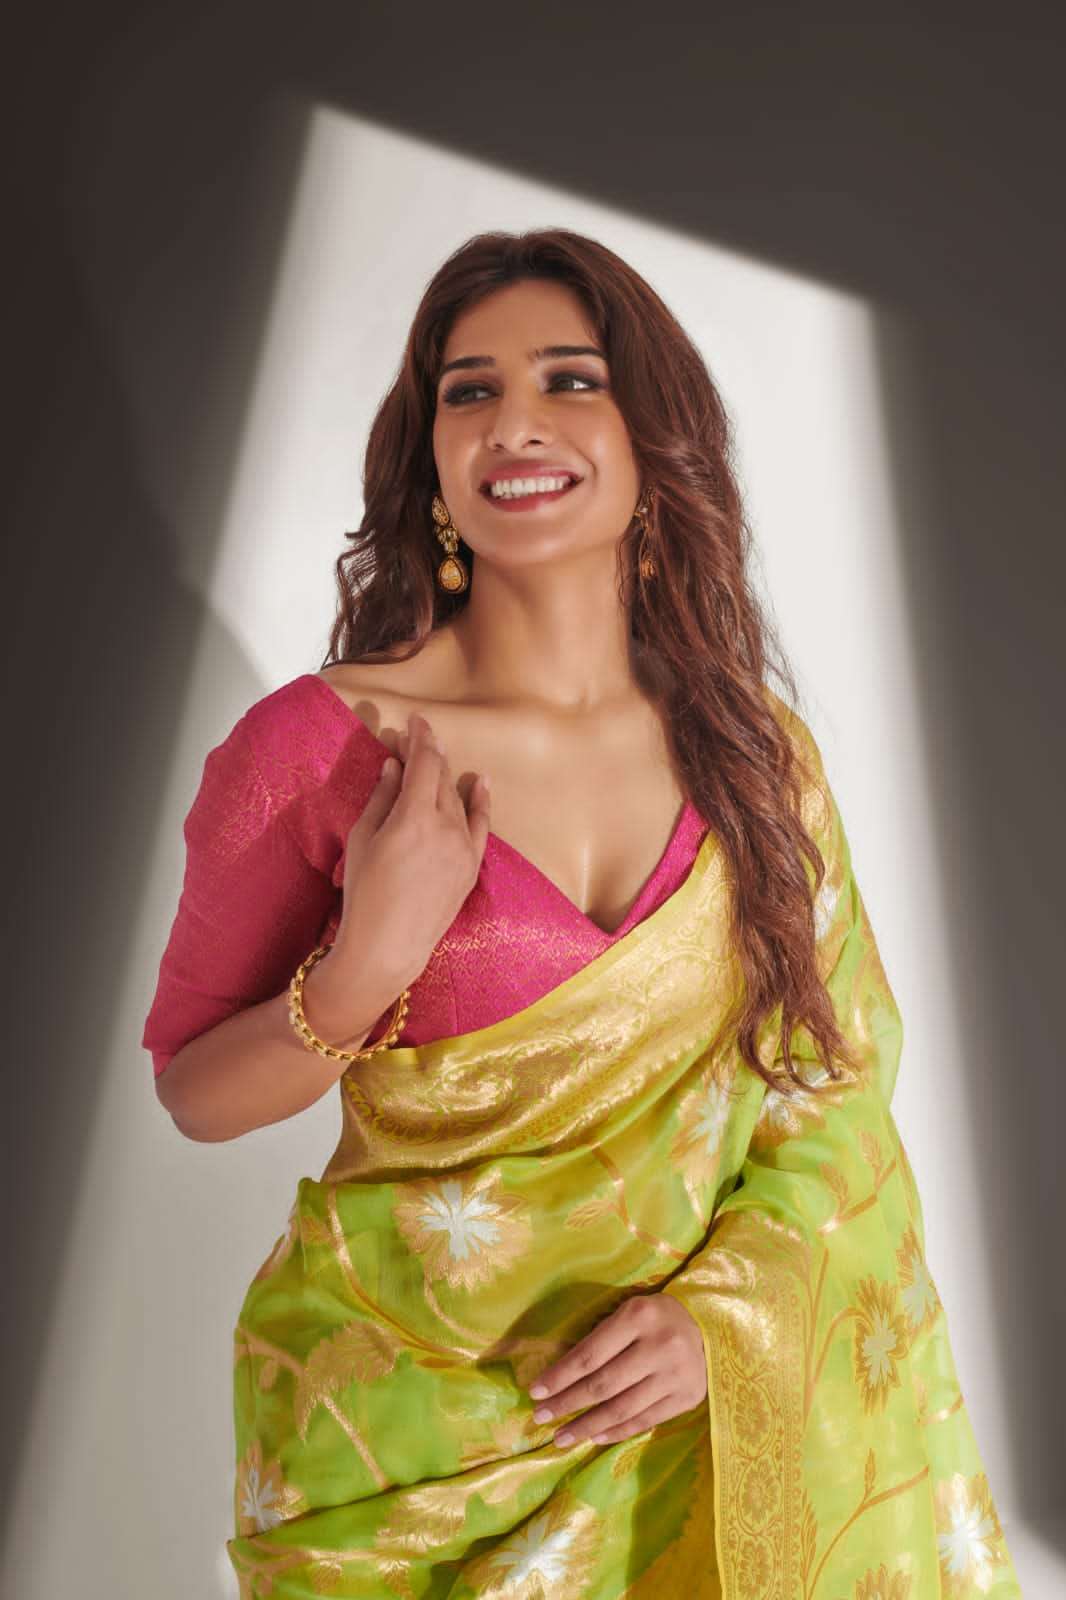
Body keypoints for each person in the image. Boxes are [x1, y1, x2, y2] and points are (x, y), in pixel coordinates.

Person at [142, 229, 1020, 1598]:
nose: (515, 424)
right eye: (469, 391)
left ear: (653, 439)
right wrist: (367, 963)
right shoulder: (314, 750)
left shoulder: (754, 757)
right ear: (431, 457)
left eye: (570, 379)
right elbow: (194, 1091)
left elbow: (832, 1087)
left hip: (677, 1436)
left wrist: (719, 1324)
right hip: (402, 1451)